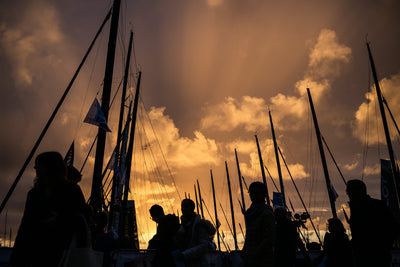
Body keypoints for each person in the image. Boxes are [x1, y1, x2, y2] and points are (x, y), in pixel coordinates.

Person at [10, 151, 87, 267]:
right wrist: (15, 261)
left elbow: (83, 218)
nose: (36, 169)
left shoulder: (72, 191)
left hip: (63, 250)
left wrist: (60, 220)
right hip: (37, 251)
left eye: (40, 166)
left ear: (52, 168)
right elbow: (25, 227)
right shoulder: (34, 195)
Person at [346, 179, 399, 267]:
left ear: (359, 190)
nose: (347, 193)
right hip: (362, 257)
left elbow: (394, 228)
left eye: (349, 190)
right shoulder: (357, 208)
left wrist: (383, 247)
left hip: (375, 257)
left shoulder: (377, 206)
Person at [241, 182, 275, 267]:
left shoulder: (266, 212)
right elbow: (249, 234)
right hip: (250, 255)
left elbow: (269, 237)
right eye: (251, 193)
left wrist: (256, 253)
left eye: (256, 193)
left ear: (263, 194)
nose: (253, 195)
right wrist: (245, 251)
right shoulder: (250, 212)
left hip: (262, 257)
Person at [175, 198, 216, 267]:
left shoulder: (200, 225)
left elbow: (203, 246)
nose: (183, 209)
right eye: (182, 207)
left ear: (192, 208)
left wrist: (185, 254)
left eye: (186, 206)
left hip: (199, 263)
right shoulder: (182, 226)